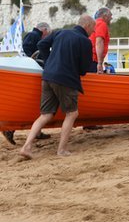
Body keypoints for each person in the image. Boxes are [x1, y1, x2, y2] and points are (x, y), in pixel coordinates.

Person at [19, 15, 96, 159]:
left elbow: (41, 45)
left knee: (45, 114)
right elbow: (84, 70)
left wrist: (49, 62)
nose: (93, 31)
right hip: (66, 79)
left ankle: (26, 147)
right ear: (87, 26)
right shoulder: (85, 42)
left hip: (48, 76)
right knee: (72, 113)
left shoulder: (60, 32)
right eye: (93, 28)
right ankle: (61, 150)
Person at [3, 22, 53, 145]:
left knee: (36, 103)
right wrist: (34, 60)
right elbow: (28, 50)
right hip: (34, 73)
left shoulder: (33, 35)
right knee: (35, 103)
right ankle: (11, 129)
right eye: (47, 33)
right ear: (44, 30)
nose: (46, 36)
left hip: (33, 72)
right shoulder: (33, 35)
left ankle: (36, 132)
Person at [89, 7, 113, 73]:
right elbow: (99, 42)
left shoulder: (95, 24)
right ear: (105, 16)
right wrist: (99, 63)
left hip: (89, 58)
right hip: (93, 60)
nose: (111, 18)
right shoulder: (102, 24)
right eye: (110, 16)